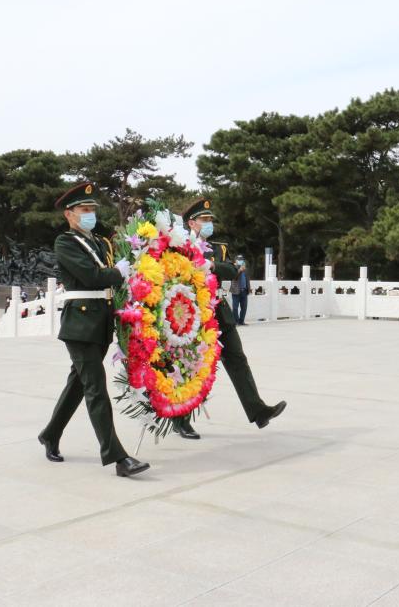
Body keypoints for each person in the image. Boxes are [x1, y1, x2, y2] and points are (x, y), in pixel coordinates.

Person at [37, 181, 149, 478]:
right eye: (84, 210)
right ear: (69, 215)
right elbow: (91, 276)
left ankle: (50, 434)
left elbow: (107, 276)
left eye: (92, 210)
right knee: (96, 388)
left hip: (100, 321)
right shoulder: (66, 243)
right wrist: (117, 272)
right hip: (80, 324)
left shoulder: (100, 242)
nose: (90, 215)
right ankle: (117, 457)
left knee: (79, 383)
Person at [172, 197, 286, 440]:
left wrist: (212, 266)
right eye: (205, 219)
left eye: (210, 219)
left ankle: (258, 411)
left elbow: (233, 269)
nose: (209, 223)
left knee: (237, 359)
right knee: (192, 366)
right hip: (191, 314)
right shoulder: (178, 246)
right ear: (191, 223)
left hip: (219, 311)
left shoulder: (218, 248)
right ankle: (180, 420)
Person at [230, 254, 249, 325]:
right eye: (239, 260)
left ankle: (241, 321)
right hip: (235, 291)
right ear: (236, 261)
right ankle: (236, 321)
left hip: (244, 290)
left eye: (242, 260)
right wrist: (240, 270)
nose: (241, 261)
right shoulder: (233, 268)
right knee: (235, 307)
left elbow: (247, 279)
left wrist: (248, 288)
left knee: (244, 307)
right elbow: (234, 277)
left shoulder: (245, 269)